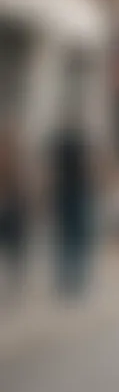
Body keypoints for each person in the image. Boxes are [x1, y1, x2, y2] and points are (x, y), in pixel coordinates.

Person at [48, 83, 97, 299]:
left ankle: (65, 279)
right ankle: (75, 280)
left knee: (65, 237)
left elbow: (50, 169)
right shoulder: (81, 142)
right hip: (77, 193)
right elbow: (90, 167)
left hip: (64, 192)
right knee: (78, 237)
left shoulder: (59, 141)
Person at [0, 122, 29, 301]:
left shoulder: (18, 162)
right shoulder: (14, 161)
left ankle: (14, 282)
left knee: (14, 250)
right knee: (12, 249)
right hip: (8, 208)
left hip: (13, 209)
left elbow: (23, 186)